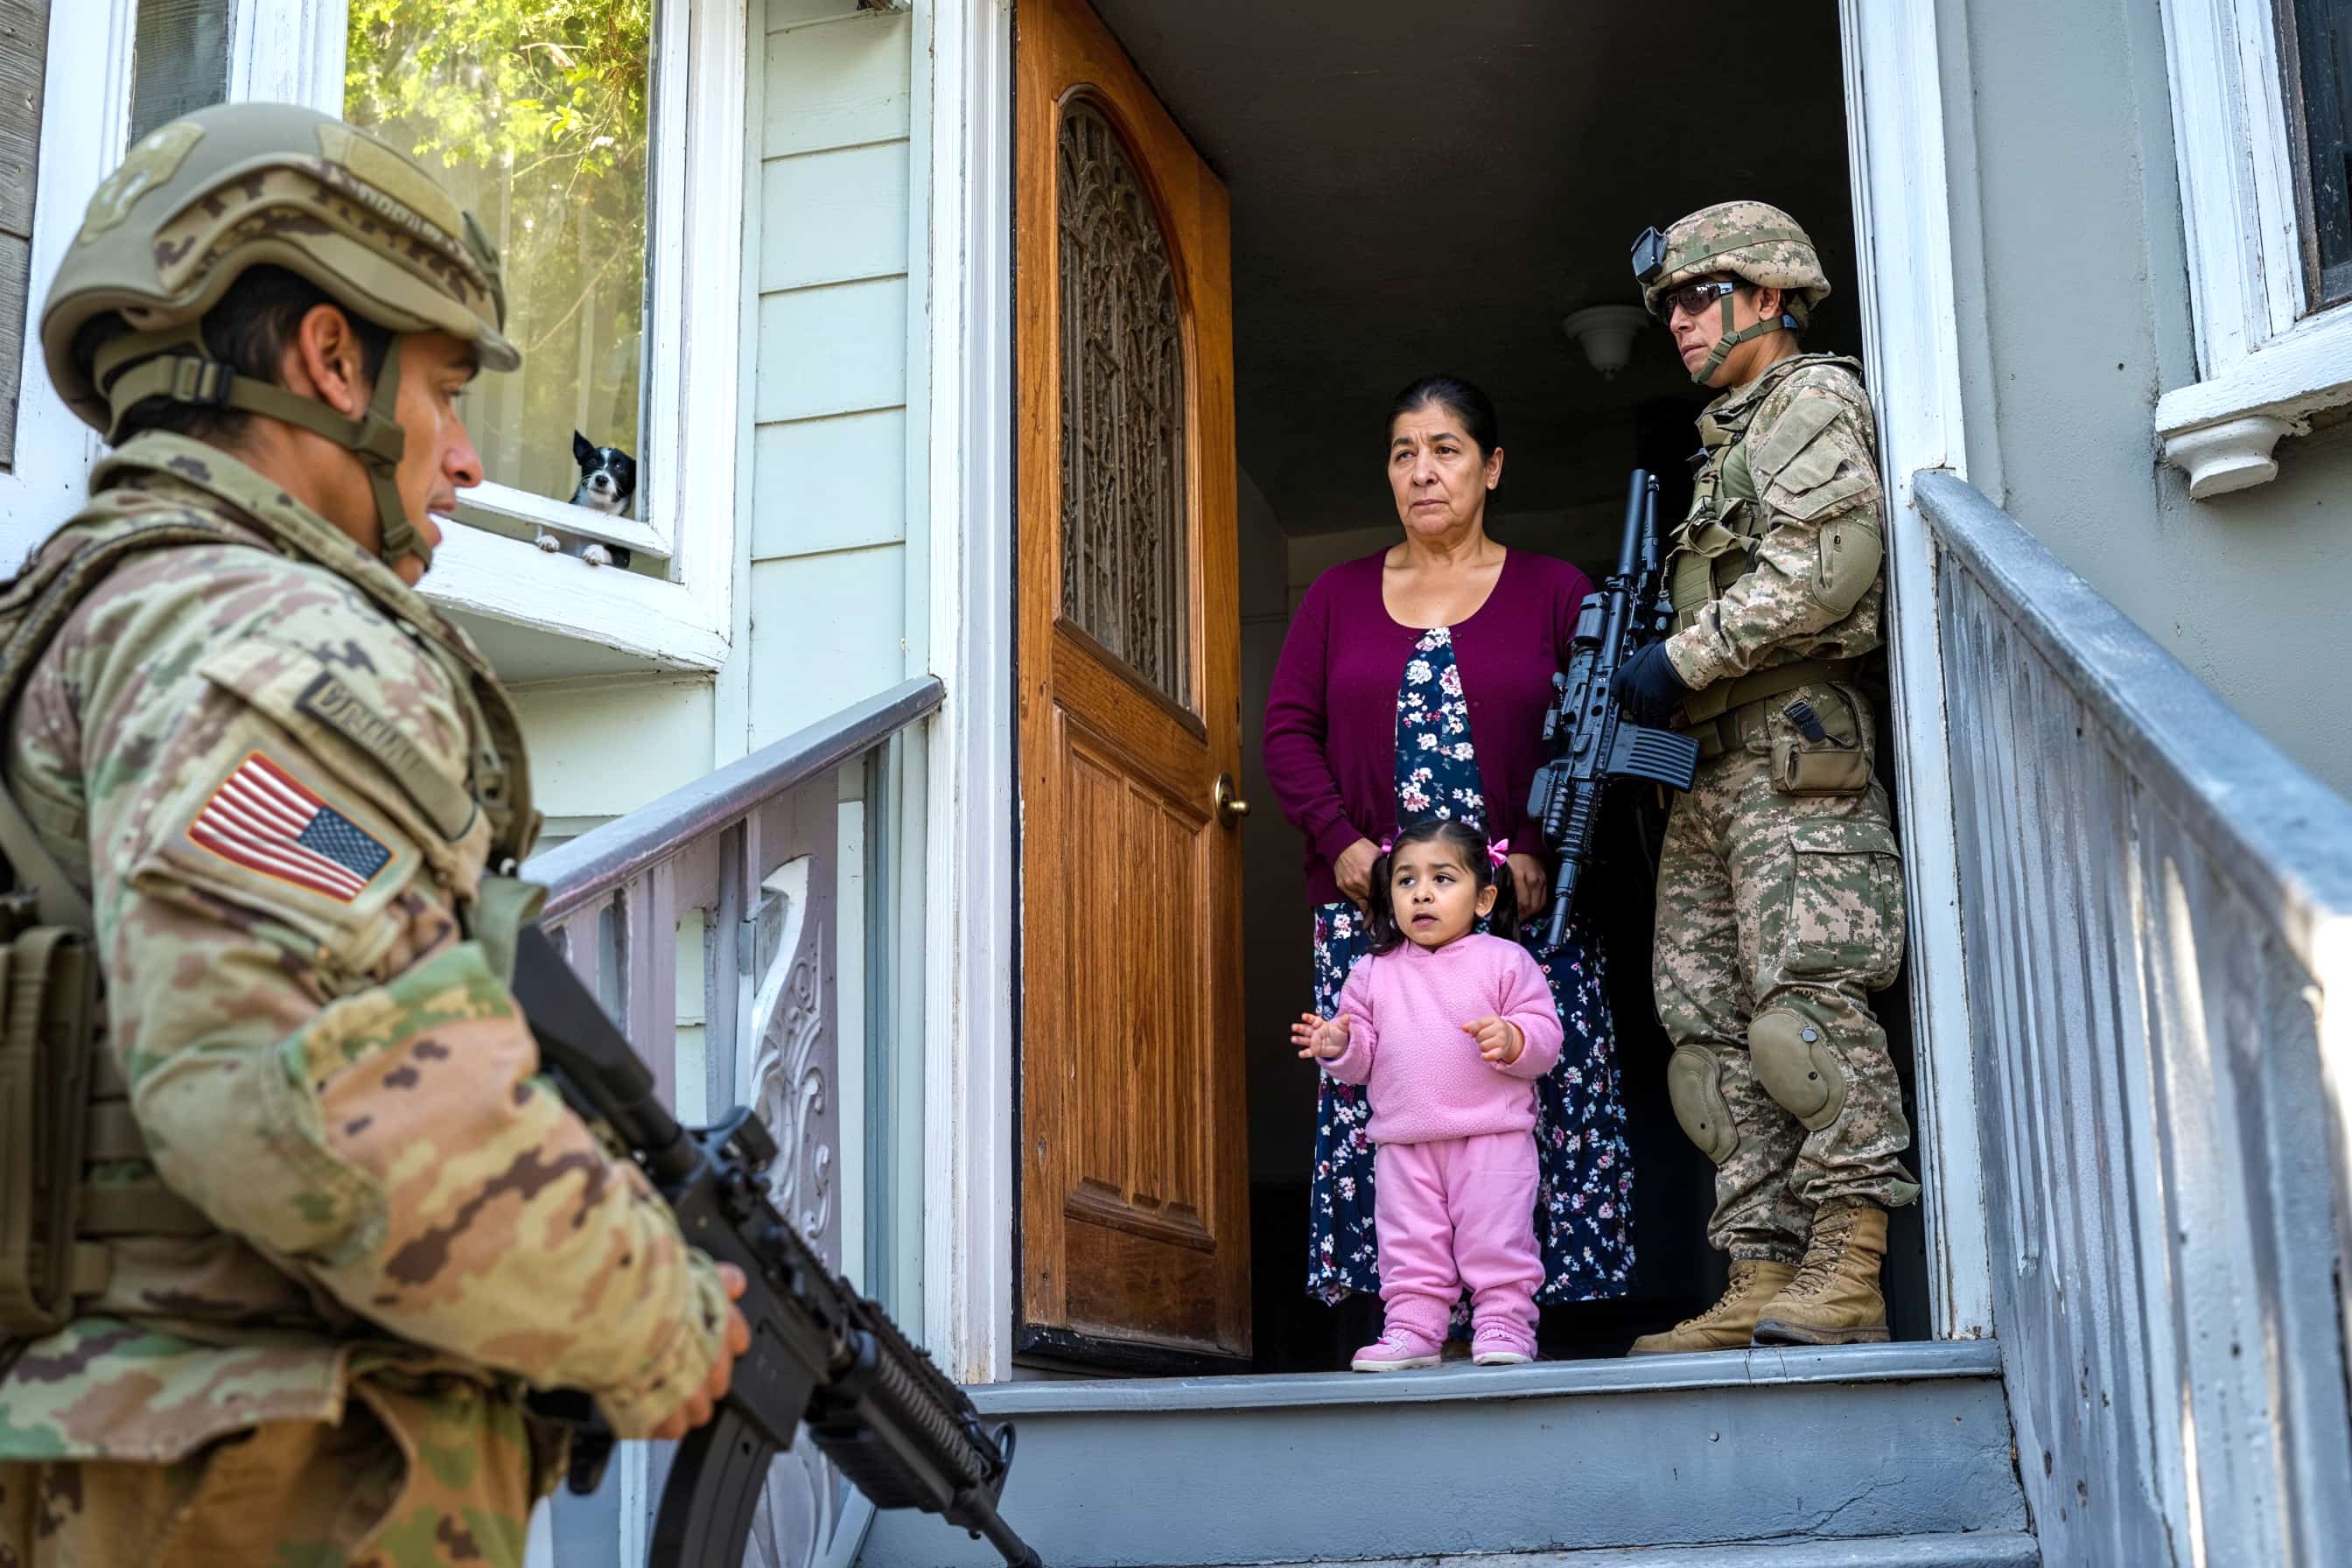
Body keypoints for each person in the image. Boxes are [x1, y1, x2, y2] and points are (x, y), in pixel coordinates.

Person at [0, 103, 747, 1564]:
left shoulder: (81, 621)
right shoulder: (265, 637)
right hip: (236, 1488)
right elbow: (311, 1096)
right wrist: (656, 1316)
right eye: (448, 393)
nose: (464, 461)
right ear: (333, 361)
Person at [1264, 374, 1634, 1350]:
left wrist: (1545, 851)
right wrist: (1343, 840)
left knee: (1531, 1100)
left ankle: (1531, 1319)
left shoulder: (1559, 591)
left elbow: (1593, 738)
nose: (1422, 471)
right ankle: (1408, 1317)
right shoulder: (1338, 597)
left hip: (1524, 915)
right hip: (1374, 915)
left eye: (1446, 449)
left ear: (1492, 465)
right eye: (1402, 452)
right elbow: (1286, 734)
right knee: (1390, 1104)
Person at [1610, 201, 1917, 1354]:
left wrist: (1680, 656)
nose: (1681, 321)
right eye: (1672, 305)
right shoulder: (1725, 436)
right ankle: (1759, 1269)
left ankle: (1846, 1265)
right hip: (1711, 765)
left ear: (1773, 294)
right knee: (1708, 1033)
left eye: (1702, 295)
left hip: (1793, 749)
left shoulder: (1808, 403)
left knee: (1806, 1008)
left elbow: (1827, 573)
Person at [1294, 820, 1564, 1371]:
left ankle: (1505, 1325)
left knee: (1498, 1241)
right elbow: (1361, 1058)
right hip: (1405, 1142)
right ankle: (1414, 1331)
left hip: (1493, 1137)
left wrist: (1515, 1038)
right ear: (1388, 897)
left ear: (1484, 897)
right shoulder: (1371, 973)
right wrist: (1338, 1042)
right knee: (1409, 1247)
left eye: (1443, 879)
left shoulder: (1505, 962)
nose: (1421, 893)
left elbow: (1546, 1041)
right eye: (1406, 881)